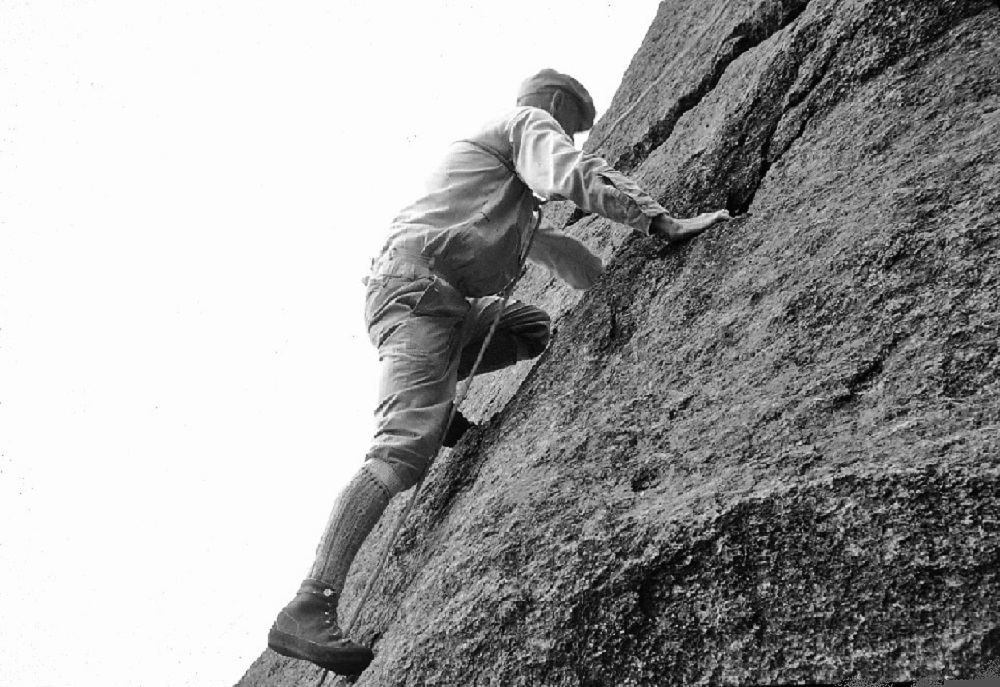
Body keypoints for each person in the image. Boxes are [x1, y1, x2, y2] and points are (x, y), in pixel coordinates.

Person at [267, 69, 731, 675]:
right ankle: (309, 604)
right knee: (403, 449)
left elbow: (554, 249)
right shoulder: (525, 126)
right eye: (573, 124)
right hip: (419, 296)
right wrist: (659, 221)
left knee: (527, 327)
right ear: (557, 104)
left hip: (433, 295)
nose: (571, 136)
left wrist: (617, 298)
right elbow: (569, 173)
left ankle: (441, 398)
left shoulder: (497, 180)